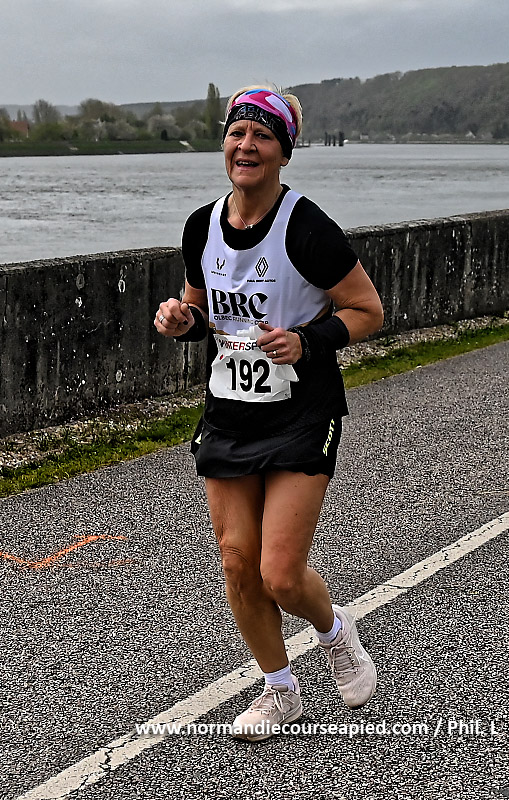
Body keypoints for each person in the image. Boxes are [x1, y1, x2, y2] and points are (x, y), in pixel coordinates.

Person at [155, 86, 384, 742]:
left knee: (279, 573)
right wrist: (182, 318)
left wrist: (307, 341)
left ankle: (335, 632)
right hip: (230, 413)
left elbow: (368, 311)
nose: (246, 146)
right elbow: (202, 309)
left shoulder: (308, 229)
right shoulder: (201, 226)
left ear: (284, 151)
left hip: (301, 412)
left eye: (262, 136)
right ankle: (280, 690)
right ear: (224, 144)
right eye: (237, 133)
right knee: (237, 561)